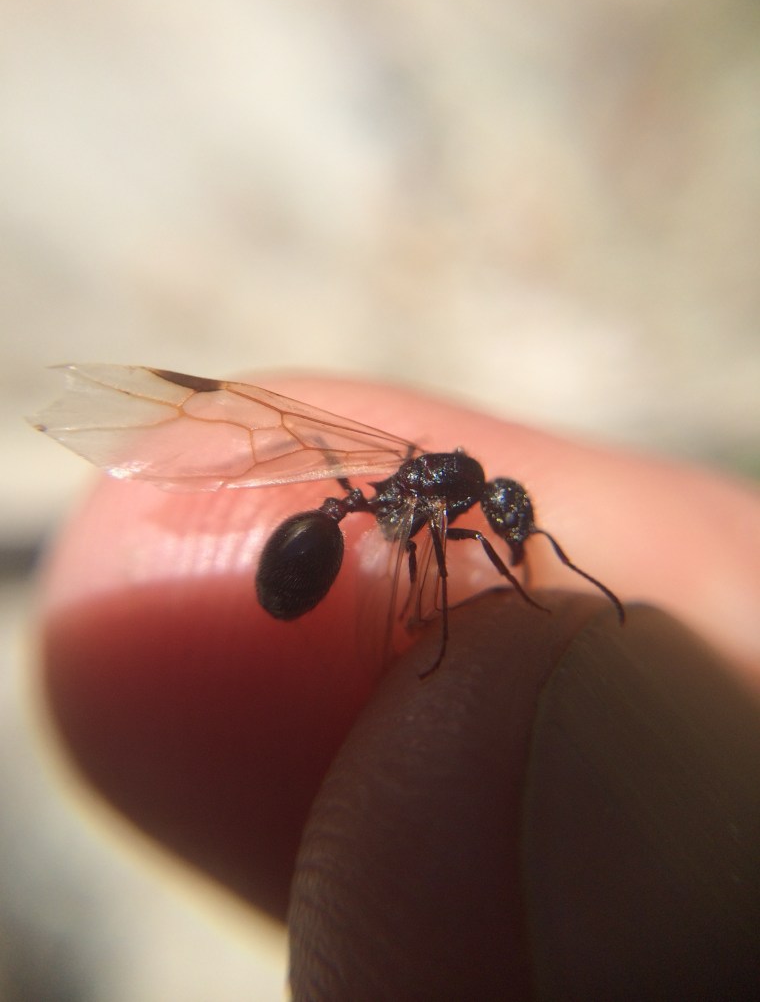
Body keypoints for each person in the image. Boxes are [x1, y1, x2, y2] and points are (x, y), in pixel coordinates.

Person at [37, 377, 760, 1000]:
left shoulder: (422, 481)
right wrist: (439, 626)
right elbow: (428, 560)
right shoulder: (441, 511)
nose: (503, 532)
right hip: (308, 553)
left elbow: (416, 525)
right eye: (508, 525)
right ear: (483, 501)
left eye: (511, 529)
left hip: (328, 524)